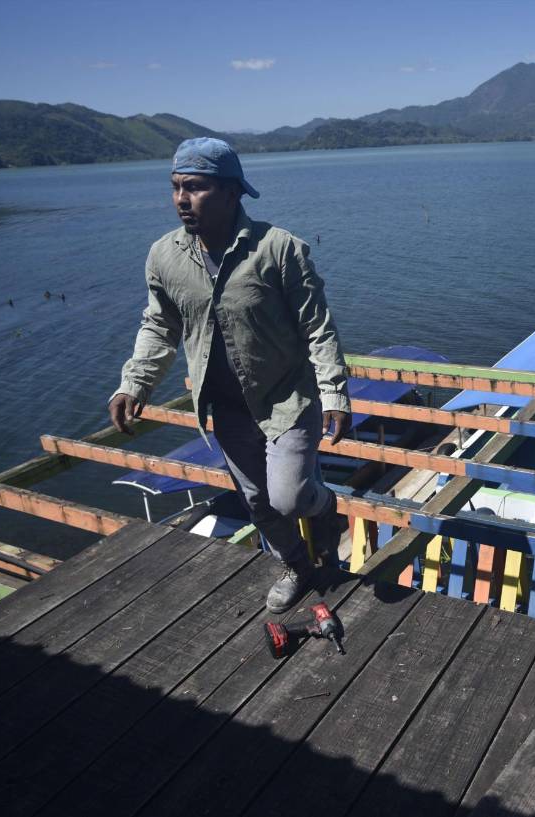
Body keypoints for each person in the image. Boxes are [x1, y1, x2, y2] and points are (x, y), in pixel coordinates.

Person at [108, 137, 352, 613]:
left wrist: (335, 394)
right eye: (176, 187)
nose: (182, 199)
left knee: (288, 498)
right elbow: (159, 325)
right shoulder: (164, 256)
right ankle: (297, 567)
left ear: (232, 191)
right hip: (226, 407)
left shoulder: (278, 249)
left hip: (286, 399)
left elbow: (317, 328)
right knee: (257, 503)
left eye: (195, 187)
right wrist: (134, 382)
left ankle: (325, 508)